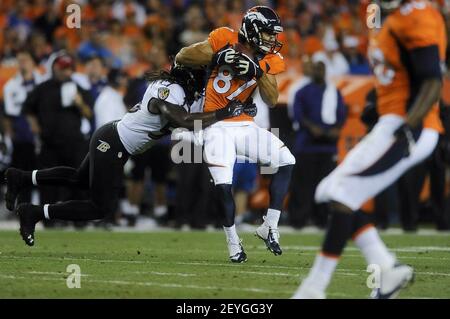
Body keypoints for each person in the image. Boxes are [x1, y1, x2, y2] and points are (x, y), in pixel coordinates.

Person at [293, 0, 446, 299]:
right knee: (329, 191)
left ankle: (314, 288)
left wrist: (407, 127)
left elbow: (432, 81)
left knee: (338, 193)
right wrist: (377, 103)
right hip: (391, 121)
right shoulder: (377, 15)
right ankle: (385, 268)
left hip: (410, 126)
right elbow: (393, 72)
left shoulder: (416, 16)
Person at [4, 65, 246, 246]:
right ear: (189, 79)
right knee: (99, 208)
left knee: (79, 178)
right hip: (113, 143)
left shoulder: (180, 93)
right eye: (199, 81)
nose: (200, 87)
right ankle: (34, 212)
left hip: (113, 137)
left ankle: (21, 177)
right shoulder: (166, 91)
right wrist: (225, 113)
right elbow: (184, 120)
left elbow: (202, 117)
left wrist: (238, 107)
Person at [175, 6, 296, 263]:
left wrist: (256, 69)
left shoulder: (268, 60)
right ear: (252, 30)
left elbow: (272, 99)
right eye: (267, 33)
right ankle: (233, 242)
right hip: (215, 126)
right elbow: (183, 56)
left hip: (245, 125)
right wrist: (219, 56)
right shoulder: (225, 38)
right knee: (223, 186)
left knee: (287, 160)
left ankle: (269, 226)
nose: (272, 39)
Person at [288, 60, 347, 229]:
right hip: (306, 145)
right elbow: (298, 115)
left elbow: (342, 114)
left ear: (325, 70)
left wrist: (336, 129)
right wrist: (312, 127)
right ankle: (298, 220)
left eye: (321, 68)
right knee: (303, 185)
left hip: (327, 146)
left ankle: (322, 219)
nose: (319, 71)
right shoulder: (302, 92)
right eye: (316, 68)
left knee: (325, 184)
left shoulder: (333, 92)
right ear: (312, 71)